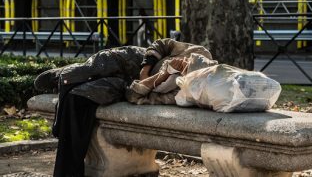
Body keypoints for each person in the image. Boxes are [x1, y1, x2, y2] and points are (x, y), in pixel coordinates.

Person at [34, 38, 214, 177]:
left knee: (79, 98)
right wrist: (146, 69)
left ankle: (65, 81)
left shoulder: (181, 94)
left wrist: (162, 76)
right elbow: (162, 44)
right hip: (132, 59)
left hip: (125, 85)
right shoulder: (199, 53)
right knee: (98, 65)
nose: (184, 69)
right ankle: (64, 76)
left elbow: (133, 96)